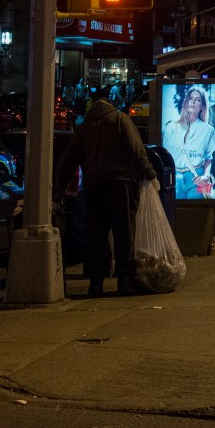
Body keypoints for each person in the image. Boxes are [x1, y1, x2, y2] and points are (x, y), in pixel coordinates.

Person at [54, 96, 157, 297]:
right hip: (121, 184)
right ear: (111, 105)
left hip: (94, 187)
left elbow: (67, 160)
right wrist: (150, 173)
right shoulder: (120, 119)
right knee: (124, 234)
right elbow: (137, 150)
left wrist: (60, 187)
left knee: (96, 236)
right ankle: (125, 281)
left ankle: (96, 283)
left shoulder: (84, 129)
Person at [162, 84, 215, 200]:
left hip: (196, 177)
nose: (193, 102)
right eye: (190, 98)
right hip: (174, 177)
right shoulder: (171, 127)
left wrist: (206, 175)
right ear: (186, 102)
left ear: (202, 106)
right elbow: (164, 158)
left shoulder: (208, 130)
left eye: (198, 100)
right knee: (174, 212)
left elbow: (208, 157)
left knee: (197, 210)